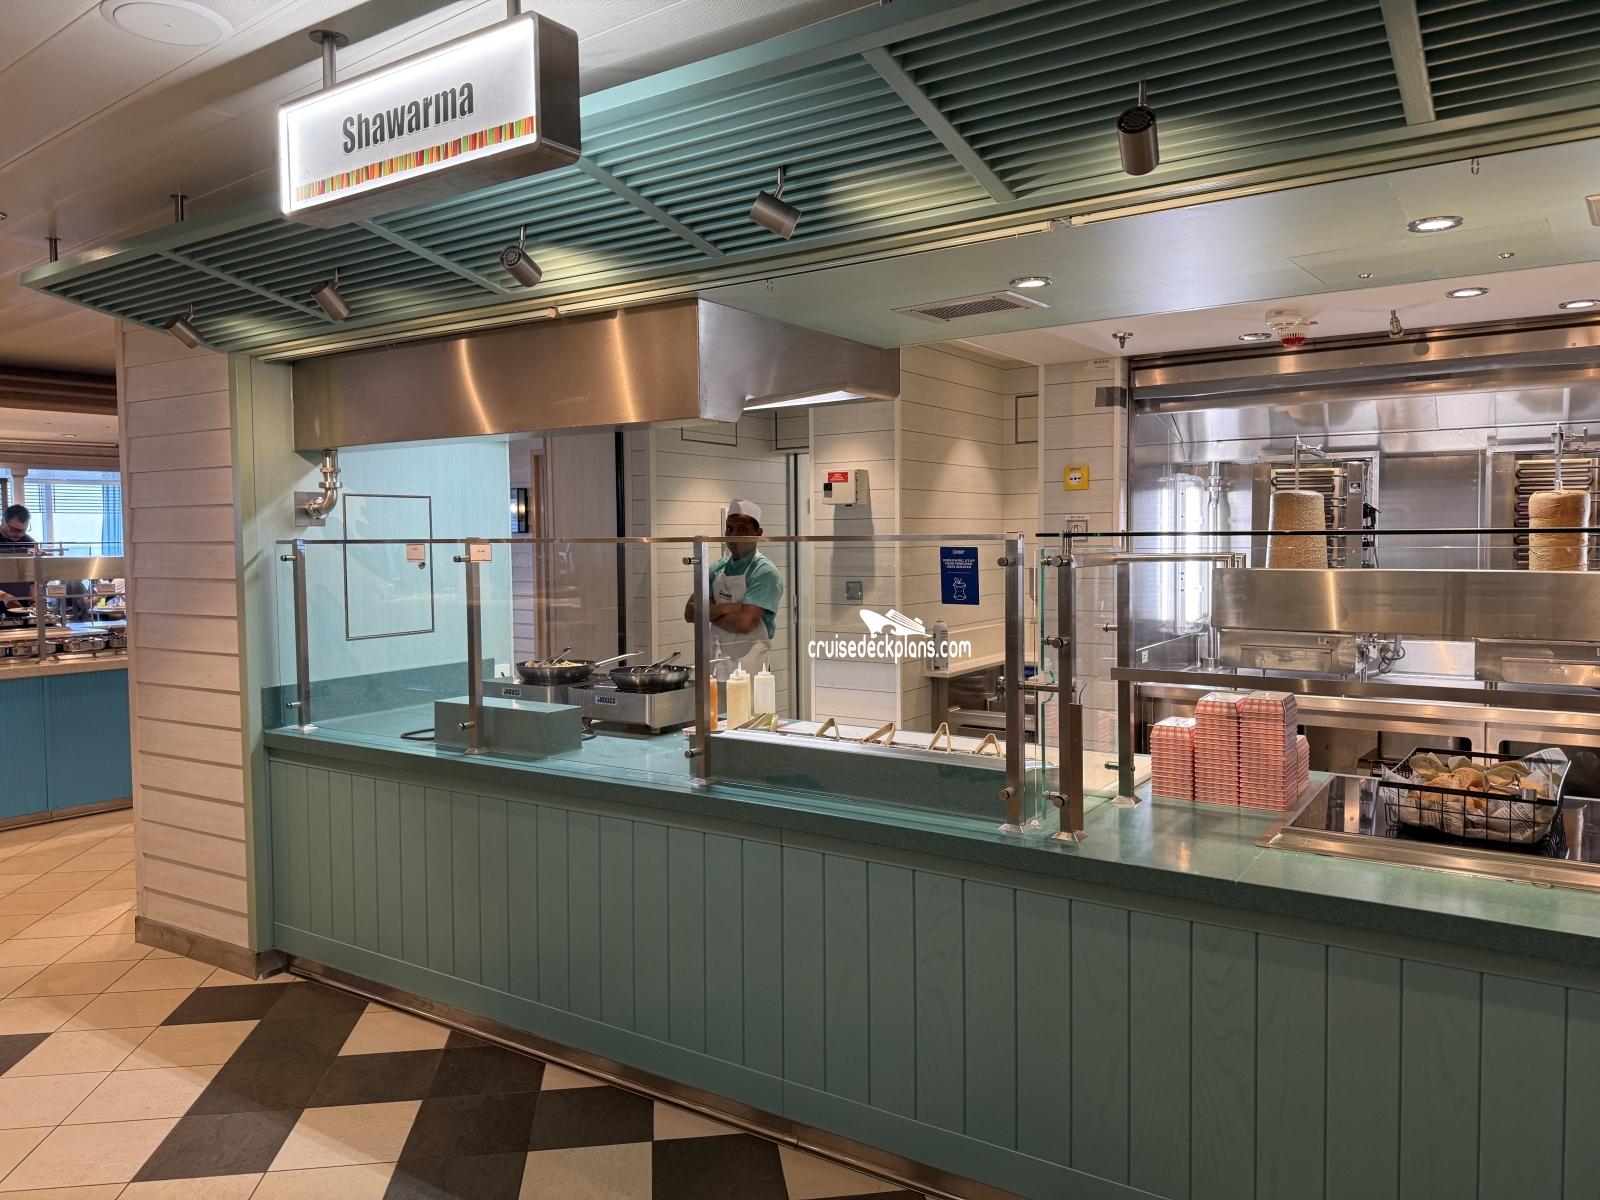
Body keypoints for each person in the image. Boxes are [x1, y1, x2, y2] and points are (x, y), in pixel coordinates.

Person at [684, 499, 783, 675]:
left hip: (751, 668)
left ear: (758, 533)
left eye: (742, 529)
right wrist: (733, 607)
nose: (733, 535)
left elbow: (744, 623)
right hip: (715, 664)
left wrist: (708, 612)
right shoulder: (717, 568)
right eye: (729, 529)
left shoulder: (764, 572)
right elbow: (690, 613)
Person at [0, 505, 35, 610]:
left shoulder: (28, 542)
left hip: (22, 605)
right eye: (14, 530)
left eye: (23, 530)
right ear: (3, 522)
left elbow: (32, 578)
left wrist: (34, 600)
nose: (19, 535)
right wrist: (3, 596)